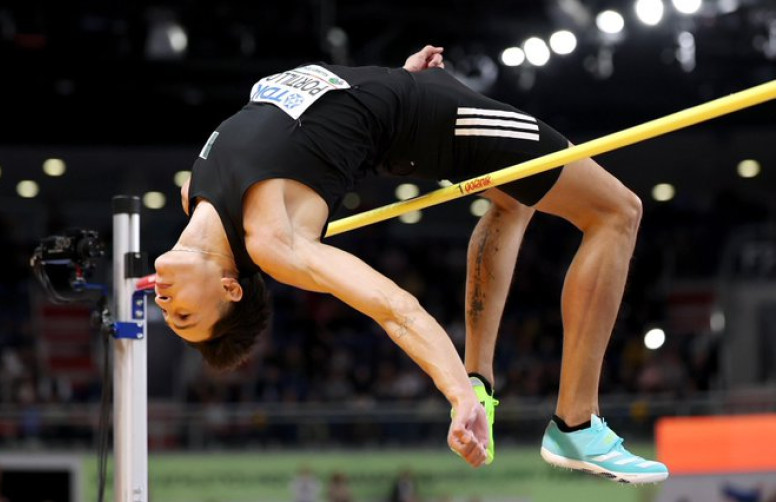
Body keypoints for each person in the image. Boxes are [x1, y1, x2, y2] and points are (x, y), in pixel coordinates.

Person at [154, 45, 669, 482]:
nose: (163, 303)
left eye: (171, 316)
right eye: (184, 317)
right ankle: (576, 424)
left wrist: (395, 78)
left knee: (513, 201)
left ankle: (482, 383)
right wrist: (454, 397)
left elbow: (309, 119)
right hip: (437, 121)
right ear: (230, 288)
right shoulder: (274, 243)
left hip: (408, 101)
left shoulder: (192, 194)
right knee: (617, 212)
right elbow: (395, 308)